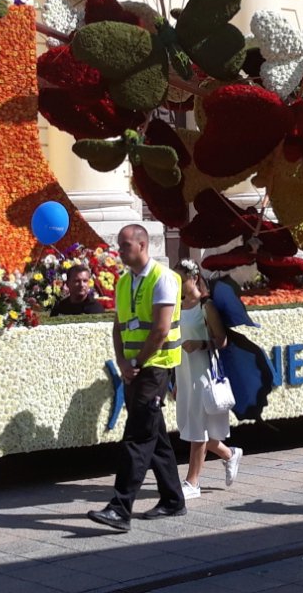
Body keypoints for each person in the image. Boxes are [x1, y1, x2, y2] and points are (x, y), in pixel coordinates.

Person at [87, 224, 185, 532]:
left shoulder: (163, 279)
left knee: (138, 437)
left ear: (142, 245)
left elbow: (160, 330)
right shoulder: (125, 282)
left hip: (154, 367)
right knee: (155, 438)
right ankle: (173, 500)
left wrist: (136, 363)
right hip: (135, 368)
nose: (120, 250)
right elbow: (118, 326)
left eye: (125, 245)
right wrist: (122, 362)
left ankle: (120, 507)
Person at [173, 260, 242, 500]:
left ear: (193, 278)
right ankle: (230, 455)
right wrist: (174, 380)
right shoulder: (177, 306)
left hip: (202, 372)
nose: (177, 285)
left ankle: (192, 482)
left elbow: (222, 340)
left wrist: (201, 344)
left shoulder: (206, 306)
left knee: (197, 429)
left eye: (180, 280)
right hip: (183, 372)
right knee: (193, 426)